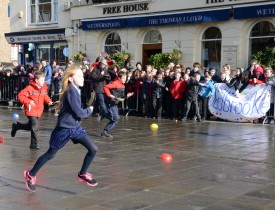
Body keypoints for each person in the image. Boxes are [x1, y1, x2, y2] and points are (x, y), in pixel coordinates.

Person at [23, 66, 98, 192]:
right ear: (70, 79)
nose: (82, 78)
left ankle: (82, 174)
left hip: (75, 128)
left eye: (82, 75)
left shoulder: (76, 90)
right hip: (64, 129)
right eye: (79, 76)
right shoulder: (71, 91)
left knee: (93, 148)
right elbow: (79, 112)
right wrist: (89, 110)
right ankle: (30, 174)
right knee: (50, 154)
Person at [11, 71, 52, 149]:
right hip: (31, 110)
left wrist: (49, 101)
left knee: (31, 126)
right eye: (42, 80)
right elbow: (20, 96)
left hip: (38, 110)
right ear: (36, 80)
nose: (44, 82)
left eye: (44, 80)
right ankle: (33, 145)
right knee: (35, 126)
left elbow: (45, 96)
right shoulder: (30, 88)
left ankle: (16, 126)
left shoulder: (44, 88)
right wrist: (29, 101)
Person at [99, 71, 133, 137]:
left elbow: (121, 96)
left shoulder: (123, 85)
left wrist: (126, 96)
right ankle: (104, 114)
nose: (125, 79)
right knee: (116, 118)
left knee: (115, 119)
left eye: (125, 78)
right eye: (123, 78)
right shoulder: (115, 83)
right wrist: (109, 95)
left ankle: (105, 129)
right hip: (110, 103)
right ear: (119, 78)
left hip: (115, 103)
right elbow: (106, 87)